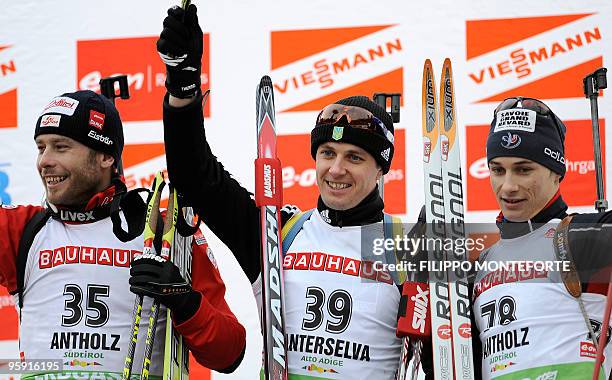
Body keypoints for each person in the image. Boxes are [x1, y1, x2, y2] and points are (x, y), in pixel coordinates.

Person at [157, 4, 423, 378]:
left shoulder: (410, 246)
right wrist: (182, 88)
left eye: (355, 157)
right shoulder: (277, 231)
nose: (336, 169)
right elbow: (196, 178)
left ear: (381, 168)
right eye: (327, 153)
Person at [0, 89, 246, 379]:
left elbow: (229, 353)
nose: (45, 161)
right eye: (41, 148)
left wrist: (185, 301)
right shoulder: (20, 229)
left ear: (106, 156)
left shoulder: (163, 233)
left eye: (61, 147)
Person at [471, 96, 612, 379]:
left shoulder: (581, 235)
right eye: (498, 169)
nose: (508, 186)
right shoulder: (481, 265)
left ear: (557, 172)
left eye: (524, 169)